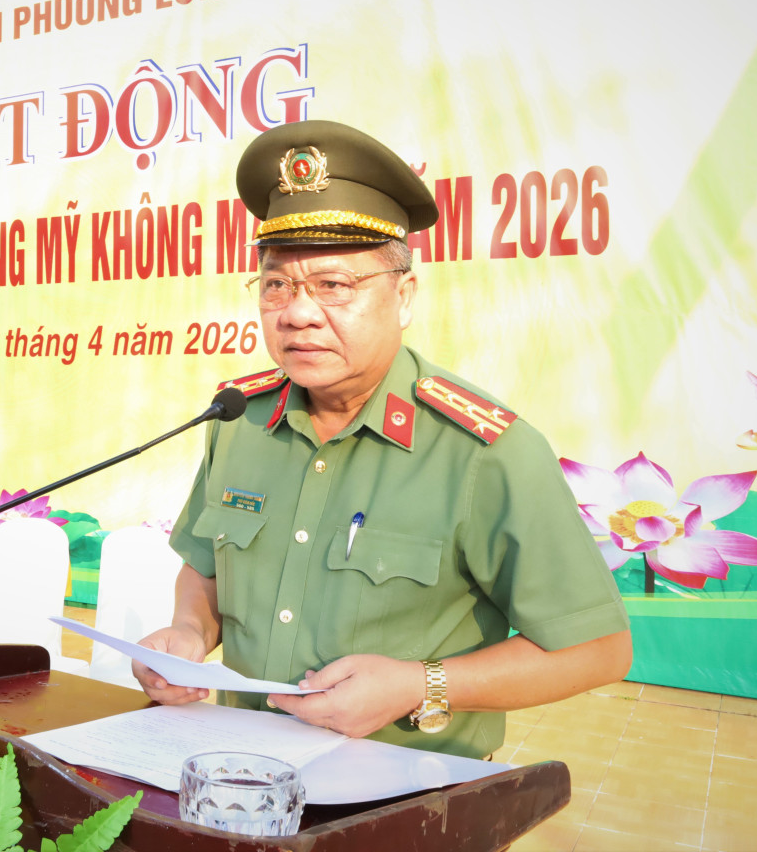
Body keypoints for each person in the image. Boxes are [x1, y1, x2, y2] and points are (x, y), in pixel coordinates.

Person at [132, 120, 632, 760]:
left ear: (404, 295)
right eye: (277, 284)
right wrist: (188, 634)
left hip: (408, 791)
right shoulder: (241, 421)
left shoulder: (482, 452)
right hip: (242, 770)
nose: (298, 313)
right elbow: (205, 569)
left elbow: (598, 650)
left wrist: (420, 686)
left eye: (334, 285)